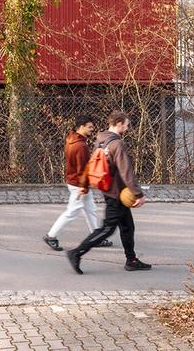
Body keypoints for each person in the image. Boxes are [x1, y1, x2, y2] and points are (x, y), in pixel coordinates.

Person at [66, 110, 152, 273]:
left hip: (108, 188)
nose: (127, 128)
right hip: (116, 193)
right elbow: (126, 171)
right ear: (119, 124)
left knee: (127, 226)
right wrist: (138, 194)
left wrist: (85, 183)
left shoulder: (101, 140)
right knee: (107, 229)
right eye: (126, 125)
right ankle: (76, 252)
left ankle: (131, 260)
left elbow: (92, 163)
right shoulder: (117, 144)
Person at [43, 115, 112, 252]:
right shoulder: (81, 146)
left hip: (74, 181)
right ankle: (51, 235)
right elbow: (82, 169)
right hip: (78, 184)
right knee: (72, 212)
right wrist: (83, 186)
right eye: (89, 127)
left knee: (90, 209)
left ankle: (95, 237)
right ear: (81, 127)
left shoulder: (71, 140)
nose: (92, 129)